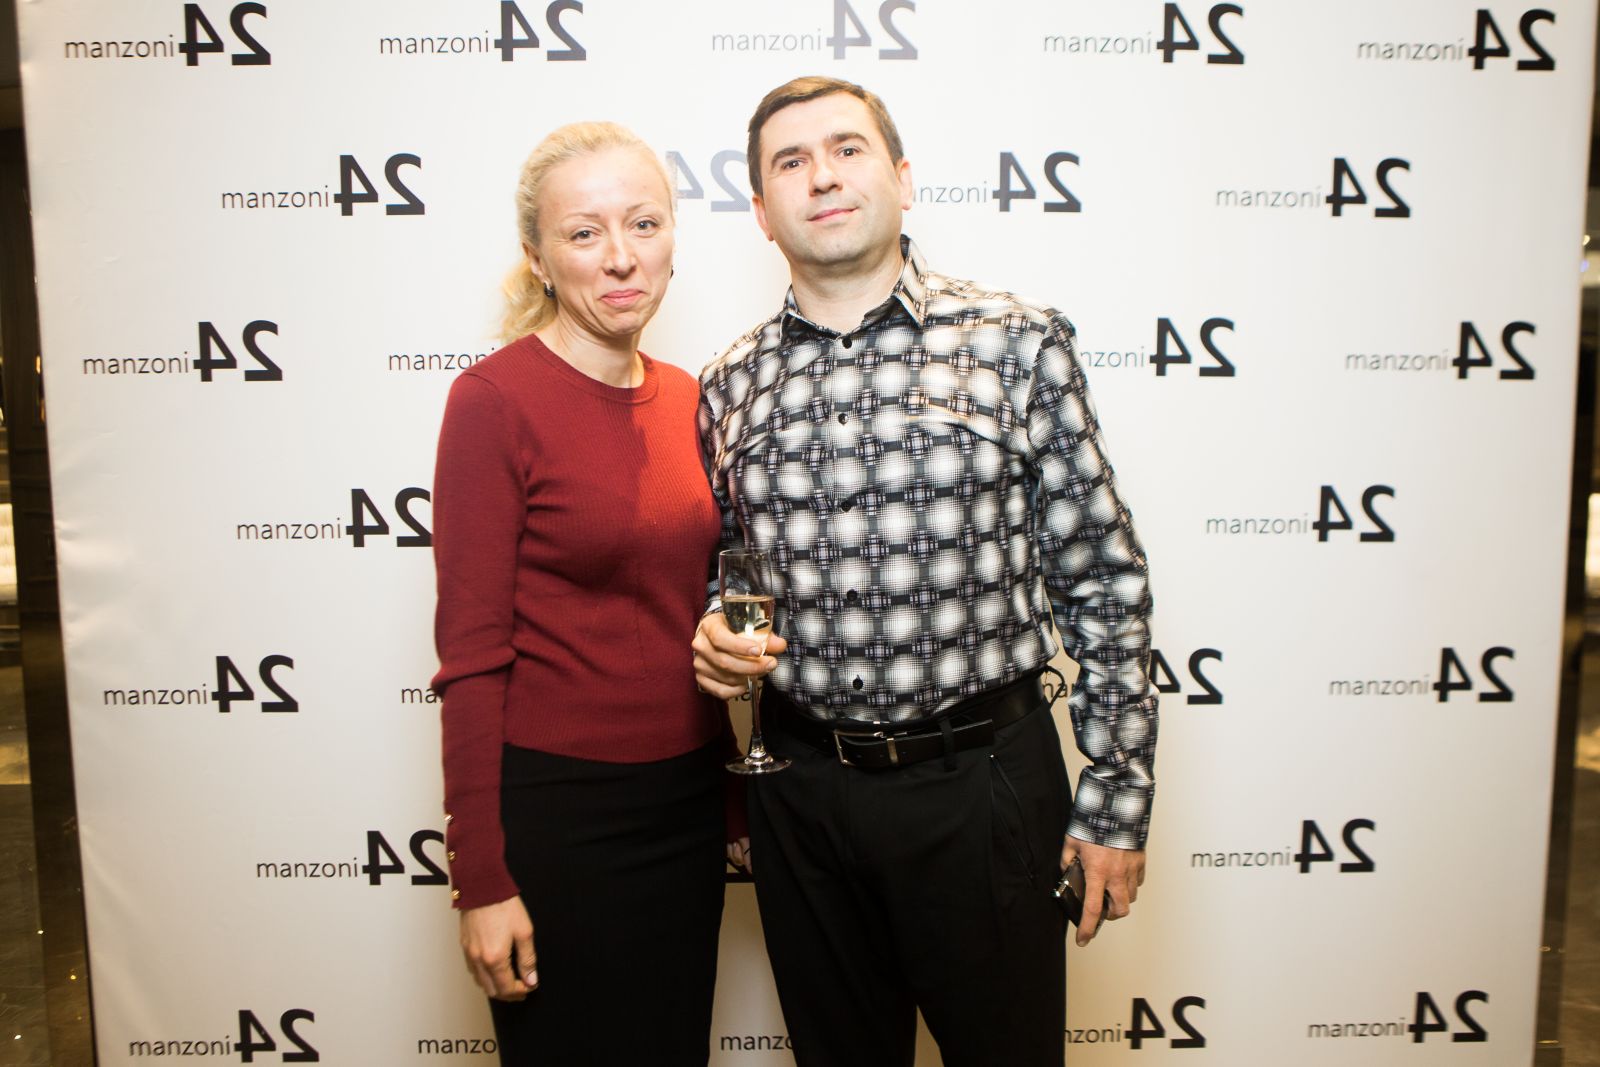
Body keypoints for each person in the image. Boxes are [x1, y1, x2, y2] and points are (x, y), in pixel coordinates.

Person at [692, 77, 1157, 1066]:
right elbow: (725, 574)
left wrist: (1116, 798)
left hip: (981, 787)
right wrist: (715, 632)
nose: (822, 176)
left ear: (902, 180)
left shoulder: (1016, 343)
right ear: (761, 211)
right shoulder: (729, 384)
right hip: (801, 799)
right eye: (790, 162)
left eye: (847, 149)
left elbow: (1103, 580)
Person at [431, 121, 746, 1067]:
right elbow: (471, 656)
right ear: (538, 256)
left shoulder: (691, 397)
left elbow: (683, 614)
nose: (620, 256)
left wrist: (732, 799)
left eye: (643, 223)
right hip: (559, 819)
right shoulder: (493, 402)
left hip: (685, 803)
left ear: (672, 236)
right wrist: (482, 879)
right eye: (583, 232)